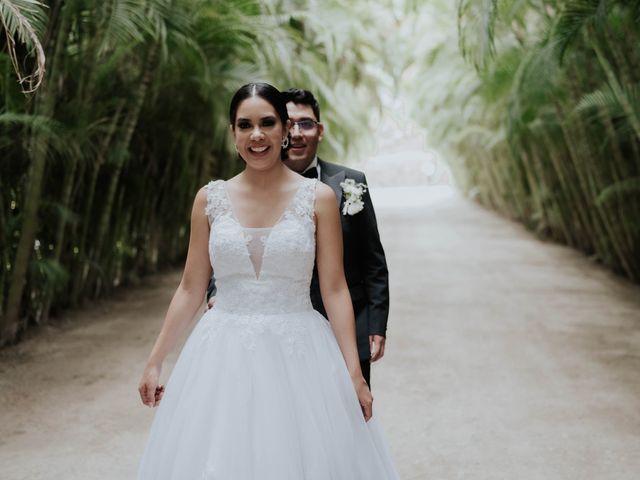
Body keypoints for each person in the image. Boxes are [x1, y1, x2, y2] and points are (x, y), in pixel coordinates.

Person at [137, 82, 398, 479]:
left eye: (267, 123)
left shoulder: (319, 198)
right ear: (233, 133)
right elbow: (191, 288)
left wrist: (354, 374)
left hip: (300, 353)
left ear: (285, 130)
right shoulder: (209, 199)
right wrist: (155, 362)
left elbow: (334, 289)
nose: (256, 134)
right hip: (221, 355)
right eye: (245, 125)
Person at [206, 88, 390, 387]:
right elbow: (233, 245)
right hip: (270, 334)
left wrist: (376, 324)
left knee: (345, 420)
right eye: (291, 122)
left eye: (306, 123)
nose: (298, 131)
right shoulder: (238, 189)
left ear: (319, 129)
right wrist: (217, 291)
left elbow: (373, 260)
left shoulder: (350, 182)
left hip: (346, 327)